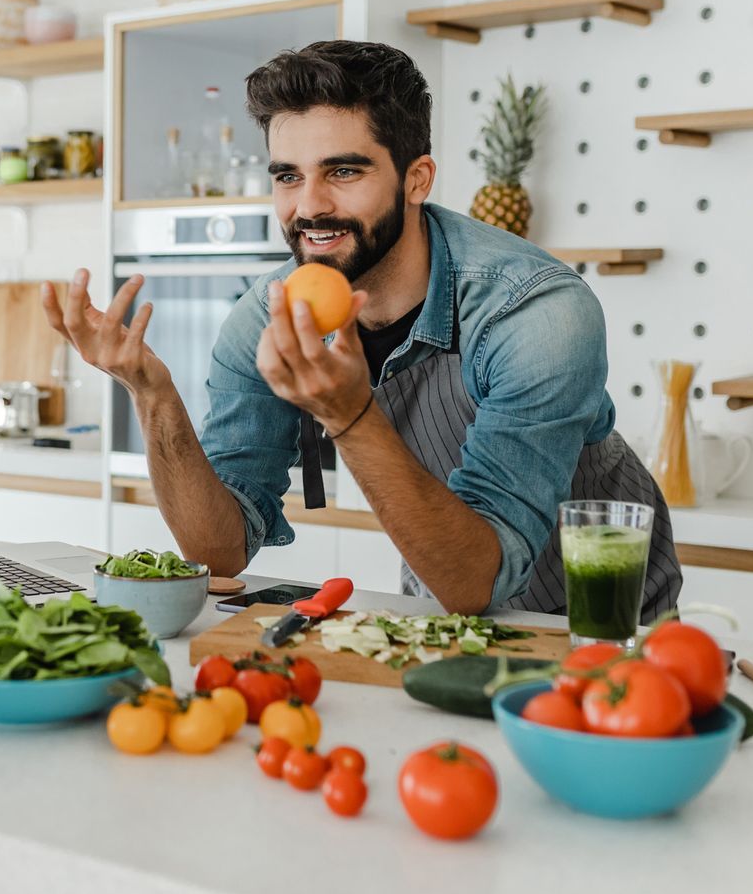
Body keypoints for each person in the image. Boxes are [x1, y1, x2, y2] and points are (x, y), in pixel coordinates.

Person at [43, 40, 679, 619]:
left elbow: (481, 579)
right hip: (441, 618)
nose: (309, 205)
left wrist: (347, 415)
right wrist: (152, 395)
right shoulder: (268, 315)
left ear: (416, 179)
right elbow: (222, 551)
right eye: (288, 175)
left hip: (606, 626)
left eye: (343, 172)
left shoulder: (533, 313)